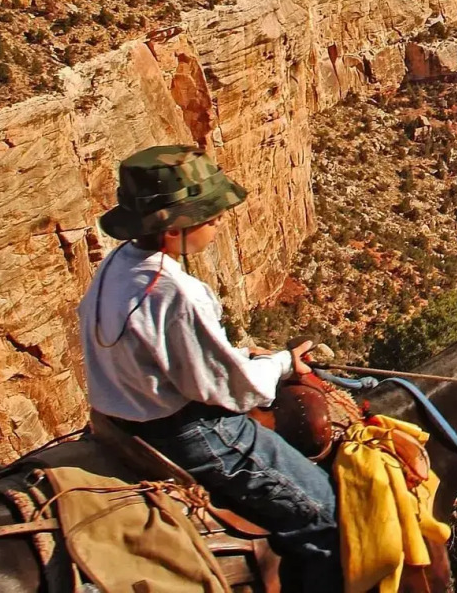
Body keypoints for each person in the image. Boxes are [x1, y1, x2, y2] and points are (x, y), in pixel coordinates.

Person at [79, 145, 339, 589]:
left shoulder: (116, 264)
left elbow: (174, 355)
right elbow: (231, 390)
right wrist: (280, 364)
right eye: (211, 216)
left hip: (120, 424)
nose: (219, 223)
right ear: (174, 227)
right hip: (192, 434)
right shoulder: (176, 291)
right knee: (326, 516)